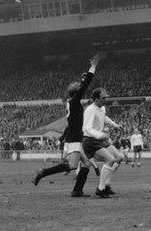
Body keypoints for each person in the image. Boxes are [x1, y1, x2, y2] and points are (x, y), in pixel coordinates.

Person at [32, 55, 99, 197]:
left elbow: (82, 94)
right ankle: (43, 172)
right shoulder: (75, 102)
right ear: (77, 93)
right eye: (79, 90)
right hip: (74, 140)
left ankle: (77, 191)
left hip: (75, 138)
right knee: (73, 166)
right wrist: (92, 68)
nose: (82, 91)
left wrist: (82, 80)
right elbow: (85, 86)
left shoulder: (72, 102)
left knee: (86, 165)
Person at [82, 87, 123, 198]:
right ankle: (100, 189)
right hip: (90, 140)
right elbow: (87, 128)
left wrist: (115, 125)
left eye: (106, 97)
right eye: (103, 98)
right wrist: (100, 135)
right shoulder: (90, 110)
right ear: (96, 99)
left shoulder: (102, 108)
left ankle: (106, 185)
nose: (106, 99)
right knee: (110, 160)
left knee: (119, 158)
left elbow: (104, 117)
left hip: (99, 139)